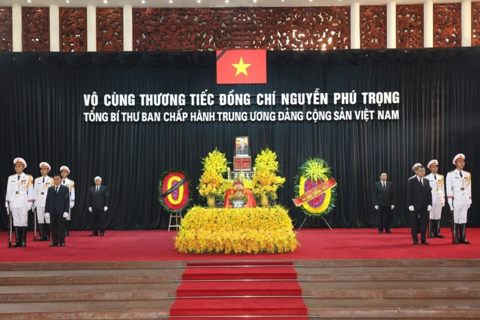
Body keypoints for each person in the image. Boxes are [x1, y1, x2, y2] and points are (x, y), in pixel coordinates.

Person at [5, 158, 34, 248]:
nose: (17, 168)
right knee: (16, 222)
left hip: (23, 201)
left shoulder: (28, 178)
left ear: (23, 167)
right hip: (13, 201)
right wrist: (7, 202)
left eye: (19, 166)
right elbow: (8, 190)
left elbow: (31, 191)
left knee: (23, 222)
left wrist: (30, 203)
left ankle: (23, 241)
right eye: (16, 166)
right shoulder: (11, 178)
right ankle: (17, 241)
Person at [446, 153, 472, 244]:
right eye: (460, 162)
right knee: (456, 218)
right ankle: (456, 237)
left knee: (463, 218)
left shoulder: (467, 174)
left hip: (464, 197)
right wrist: (450, 202)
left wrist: (469, 199)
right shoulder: (451, 174)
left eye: (463, 162)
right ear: (456, 163)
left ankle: (463, 238)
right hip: (456, 198)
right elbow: (449, 189)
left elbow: (469, 187)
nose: (462, 164)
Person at [407, 165, 433, 245]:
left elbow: (429, 193)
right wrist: (410, 204)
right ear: (416, 171)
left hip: (424, 205)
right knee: (414, 223)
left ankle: (423, 239)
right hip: (414, 205)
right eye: (421, 171)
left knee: (423, 223)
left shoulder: (426, 181)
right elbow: (409, 194)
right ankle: (415, 239)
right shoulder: (412, 180)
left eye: (424, 171)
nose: (423, 172)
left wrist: (429, 203)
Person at [45, 173, 70, 247]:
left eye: (57, 179)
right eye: (54, 179)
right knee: (53, 227)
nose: (56, 181)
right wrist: (47, 211)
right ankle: (54, 241)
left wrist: (66, 211)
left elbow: (67, 201)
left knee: (61, 227)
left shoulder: (65, 189)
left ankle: (62, 241)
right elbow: (47, 200)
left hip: (61, 211)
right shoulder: (50, 189)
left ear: (61, 180)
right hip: (52, 211)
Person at [34, 162, 53, 241]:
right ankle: (41, 235)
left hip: (47, 200)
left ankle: (48, 235)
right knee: (40, 219)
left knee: (47, 218)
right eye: (41, 169)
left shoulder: (51, 180)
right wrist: (34, 202)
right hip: (39, 200)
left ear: (48, 170)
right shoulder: (37, 180)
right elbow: (35, 191)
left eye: (45, 169)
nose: (43, 171)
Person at [426, 160, 445, 238]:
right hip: (431, 196)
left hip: (439, 196)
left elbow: (442, 188)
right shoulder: (427, 177)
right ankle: (430, 232)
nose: (435, 168)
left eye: (436, 167)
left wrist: (443, 199)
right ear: (430, 168)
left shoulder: (441, 177)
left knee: (437, 215)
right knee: (431, 215)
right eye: (433, 167)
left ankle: (437, 232)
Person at [60, 166, 75, 236]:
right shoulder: (57, 181)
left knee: (67, 216)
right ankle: (61, 230)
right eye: (62, 172)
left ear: (67, 173)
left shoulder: (71, 182)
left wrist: (72, 202)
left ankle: (66, 230)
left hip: (67, 200)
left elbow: (72, 193)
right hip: (59, 200)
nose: (63, 174)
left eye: (65, 172)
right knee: (60, 216)